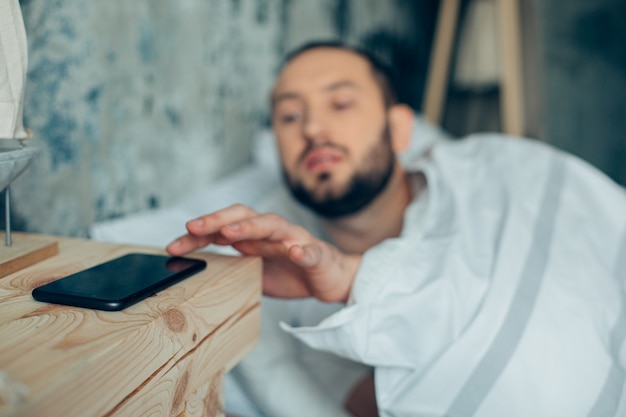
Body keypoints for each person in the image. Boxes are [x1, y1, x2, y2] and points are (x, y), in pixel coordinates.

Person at [167, 41, 626, 417]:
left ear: (400, 129)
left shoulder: (502, 172)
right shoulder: (281, 308)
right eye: (290, 116)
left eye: (341, 102)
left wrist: (358, 279)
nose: (314, 127)